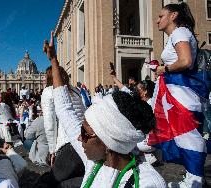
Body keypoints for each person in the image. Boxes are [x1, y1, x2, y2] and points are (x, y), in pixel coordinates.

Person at [43, 31, 166, 188]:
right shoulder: (95, 158)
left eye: (85, 133)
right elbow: (64, 109)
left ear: (109, 142)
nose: (79, 138)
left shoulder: (147, 183)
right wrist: (54, 60)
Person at [153, 2, 206, 187]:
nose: (157, 20)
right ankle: (193, 177)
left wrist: (163, 68)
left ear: (173, 15)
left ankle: (195, 180)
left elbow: (185, 61)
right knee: (183, 136)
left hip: (182, 97)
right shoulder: (178, 34)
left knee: (188, 137)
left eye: (161, 16)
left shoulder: (180, 33)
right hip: (178, 95)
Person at [39, 65, 85, 187]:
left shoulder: (48, 91)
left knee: (47, 182)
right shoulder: (76, 90)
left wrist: (52, 150)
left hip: (68, 146)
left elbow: (50, 124)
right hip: (84, 143)